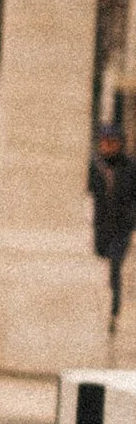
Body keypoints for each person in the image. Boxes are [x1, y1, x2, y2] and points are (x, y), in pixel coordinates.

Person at [92, 127, 136, 322]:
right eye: (104, 142)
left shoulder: (130, 167)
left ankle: (114, 310)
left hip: (122, 227)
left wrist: (130, 219)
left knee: (115, 265)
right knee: (102, 258)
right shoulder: (96, 167)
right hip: (102, 226)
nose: (107, 146)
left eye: (112, 142)